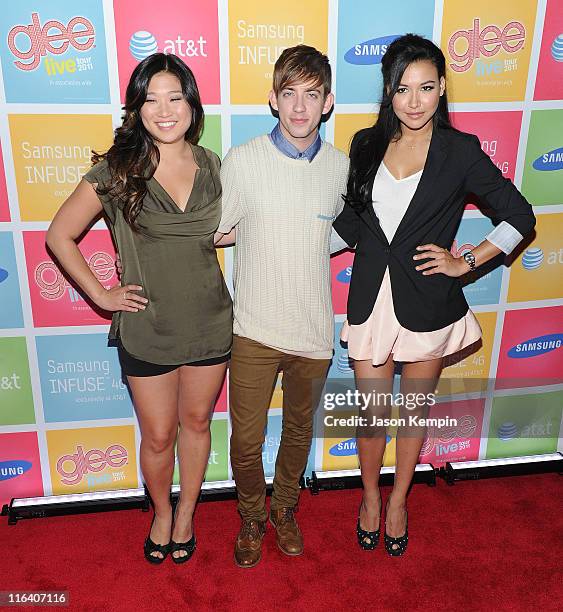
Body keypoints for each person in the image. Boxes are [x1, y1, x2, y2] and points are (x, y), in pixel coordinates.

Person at [333, 34, 535, 556]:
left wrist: (465, 261)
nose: (414, 101)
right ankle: (371, 497)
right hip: (371, 299)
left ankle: (399, 500)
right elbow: (354, 222)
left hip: (427, 302)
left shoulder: (460, 152)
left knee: (412, 415)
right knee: (373, 414)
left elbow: (520, 216)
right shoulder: (365, 144)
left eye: (426, 87)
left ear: (442, 87)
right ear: (389, 92)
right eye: (402, 89)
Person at [46, 53, 232, 565]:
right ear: (137, 108)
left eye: (175, 97)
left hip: (211, 324)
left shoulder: (214, 165)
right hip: (148, 328)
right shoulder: (116, 169)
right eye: (151, 99)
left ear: (192, 105)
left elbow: (222, 231)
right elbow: (59, 235)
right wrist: (102, 296)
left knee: (196, 426)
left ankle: (189, 512)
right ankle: (161, 512)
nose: (164, 109)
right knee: (158, 434)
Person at [214, 45, 349, 567]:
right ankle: (251, 515)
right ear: (272, 99)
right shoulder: (244, 160)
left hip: (314, 332)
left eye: (310, 95)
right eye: (289, 94)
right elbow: (219, 231)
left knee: (297, 435)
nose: (299, 107)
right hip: (252, 328)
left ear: (328, 102)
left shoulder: (340, 169)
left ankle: (285, 509)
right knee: (246, 441)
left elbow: (335, 236)